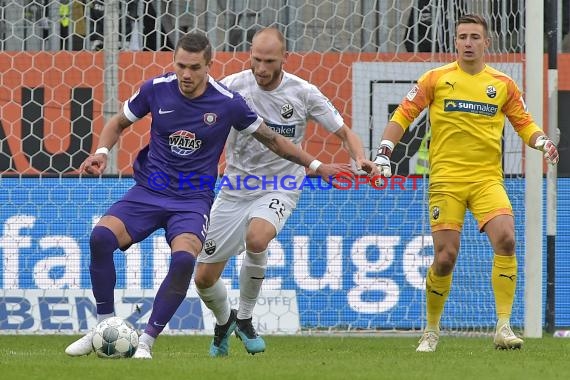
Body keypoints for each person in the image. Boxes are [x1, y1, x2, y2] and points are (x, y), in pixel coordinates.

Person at [64, 31, 347, 359]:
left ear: (209, 66)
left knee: (185, 260)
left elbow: (272, 139)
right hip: (149, 190)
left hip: (191, 201)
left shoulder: (227, 102)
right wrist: (101, 151)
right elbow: (117, 123)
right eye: (181, 65)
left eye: (195, 67)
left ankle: (146, 342)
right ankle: (103, 325)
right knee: (100, 237)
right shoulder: (156, 89)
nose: (186, 74)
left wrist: (315, 164)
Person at [374, 14, 559, 353]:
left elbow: (524, 123)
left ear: (487, 43)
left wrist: (543, 142)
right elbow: (402, 114)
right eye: (463, 37)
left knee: (506, 239)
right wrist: (385, 153)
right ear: (455, 42)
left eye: (475, 36)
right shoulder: (435, 78)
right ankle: (431, 330)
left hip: (487, 179)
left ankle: (503, 326)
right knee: (445, 257)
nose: (469, 42)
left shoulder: (502, 84)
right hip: (446, 181)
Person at [193, 27, 379, 357]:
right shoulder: (233, 87)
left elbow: (344, 131)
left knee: (258, 238)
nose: (261, 69)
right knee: (204, 278)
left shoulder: (303, 93)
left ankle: (246, 318)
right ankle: (226, 321)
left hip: (283, 184)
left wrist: (359, 157)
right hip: (237, 186)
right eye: (255, 59)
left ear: (285, 58)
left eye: (269, 61)